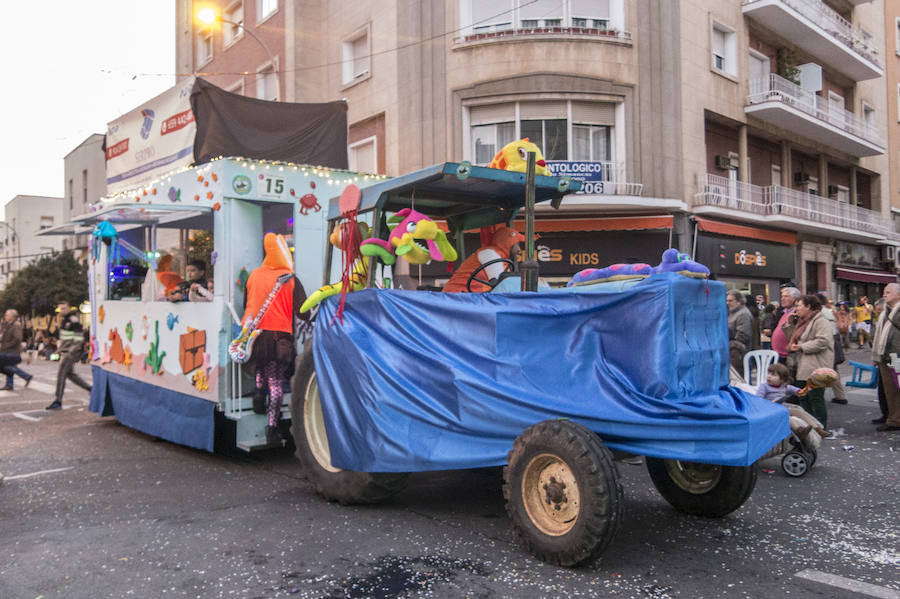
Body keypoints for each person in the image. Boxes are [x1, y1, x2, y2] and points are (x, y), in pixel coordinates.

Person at [241, 233, 308, 444]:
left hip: (255, 334)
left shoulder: (253, 275)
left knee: (260, 366)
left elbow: (246, 304)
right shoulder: (290, 279)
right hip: (279, 337)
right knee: (276, 382)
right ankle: (272, 429)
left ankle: (258, 394)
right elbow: (303, 311)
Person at [784, 294, 834, 429]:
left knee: (815, 398)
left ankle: (820, 427)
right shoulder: (802, 321)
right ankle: (809, 426)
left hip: (816, 365)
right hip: (803, 365)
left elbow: (823, 341)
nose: (796, 309)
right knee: (803, 397)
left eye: (799, 305)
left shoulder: (820, 321)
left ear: (808, 306)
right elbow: (791, 339)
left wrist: (802, 347)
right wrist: (789, 324)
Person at [755, 363, 828, 440]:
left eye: (773, 375)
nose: (769, 376)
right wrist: (769, 403)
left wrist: (808, 389)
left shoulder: (785, 387)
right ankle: (799, 430)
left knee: (799, 411)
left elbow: (799, 392)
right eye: (769, 373)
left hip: (781, 408)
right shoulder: (764, 386)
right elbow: (758, 399)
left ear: (782, 379)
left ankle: (817, 429)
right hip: (770, 410)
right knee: (787, 416)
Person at [443, 226, 525, 293]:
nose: (519, 249)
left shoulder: (502, 258)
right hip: (458, 296)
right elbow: (499, 284)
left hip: (471, 296)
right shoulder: (490, 253)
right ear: (508, 243)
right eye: (516, 244)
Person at [46, 301, 91, 410]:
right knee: (70, 374)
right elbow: (65, 339)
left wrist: (71, 352)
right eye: (60, 309)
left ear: (69, 308)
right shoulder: (64, 321)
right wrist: (59, 351)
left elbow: (79, 338)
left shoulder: (73, 320)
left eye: (64, 308)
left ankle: (58, 401)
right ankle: (91, 389)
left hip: (71, 352)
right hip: (66, 351)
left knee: (61, 374)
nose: (62, 311)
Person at [870, 283, 900, 432]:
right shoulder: (885, 311)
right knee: (887, 389)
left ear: (898, 295)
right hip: (885, 356)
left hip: (896, 356)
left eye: (888, 292)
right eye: (884, 292)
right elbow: (879, 335)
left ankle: (895, 420)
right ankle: (889, 415)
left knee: (895, 389)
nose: (884, 294)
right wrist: (876, 355)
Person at [815, 293, 847, 405]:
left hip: (828, 341)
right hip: (835, 339)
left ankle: (819, 397)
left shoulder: (820, 313)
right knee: (833, 370)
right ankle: (841, 396)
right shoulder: (828, 311)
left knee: (824, 369)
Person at [0, 309, 32, 390]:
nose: (5, 316)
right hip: (7, 350)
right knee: (9, 367)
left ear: (12, 316)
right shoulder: (8, 325)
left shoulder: (16, 325)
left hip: (12, 351)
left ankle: (25, 376)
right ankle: (10, 384)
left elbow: (17, 339)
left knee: (7, 366)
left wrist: (7, 345)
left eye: (7, 315)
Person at [771, 286, 801, 364]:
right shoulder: (784, 313)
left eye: (786, 296)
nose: (782, 299)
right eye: (782, 296)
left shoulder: (797, 314)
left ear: (795, 299)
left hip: (788, 356)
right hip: (778, 354)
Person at [726, 290, 753, 376]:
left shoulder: (743, 314)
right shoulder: (733, 313)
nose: (727, 303)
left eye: (730, 300)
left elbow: (742, 336)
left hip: (739, 354)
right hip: (733, 352)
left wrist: (730, 343)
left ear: (739, 302)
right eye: (726, 300)